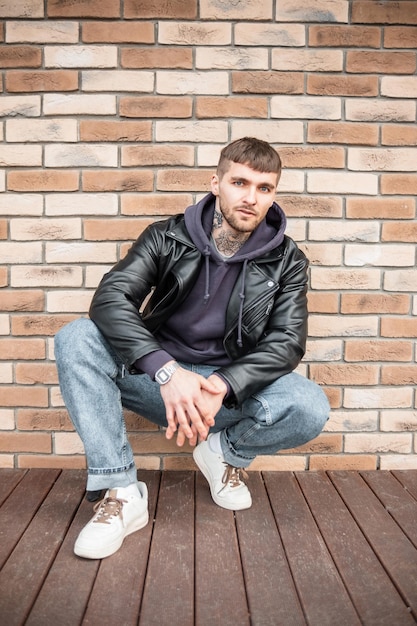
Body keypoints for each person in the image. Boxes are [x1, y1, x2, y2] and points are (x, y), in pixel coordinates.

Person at [55, 137, 329, 560]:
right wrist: (167, 371)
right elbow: (111, 299)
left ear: (273, 194)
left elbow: (287, 342)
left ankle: (223, 454)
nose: (251, 198)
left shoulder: (288, 261)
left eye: (264, 188)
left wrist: (223, 382)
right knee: (76, 337)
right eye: (240, 182)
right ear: (215, 183)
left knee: (308, 404)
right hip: (159, 381)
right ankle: (122, 491)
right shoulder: (166, 237)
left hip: (225, 393)